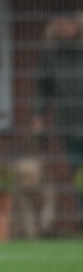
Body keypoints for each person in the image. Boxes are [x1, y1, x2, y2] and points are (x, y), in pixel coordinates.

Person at [32, 13, 83, 214]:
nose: (62, 27)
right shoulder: (51, 56)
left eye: (66, 23)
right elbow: (41, 90)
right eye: (58, 24)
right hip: (69, 127)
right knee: (79, 174)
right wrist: (38, 118)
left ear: (76, 25)